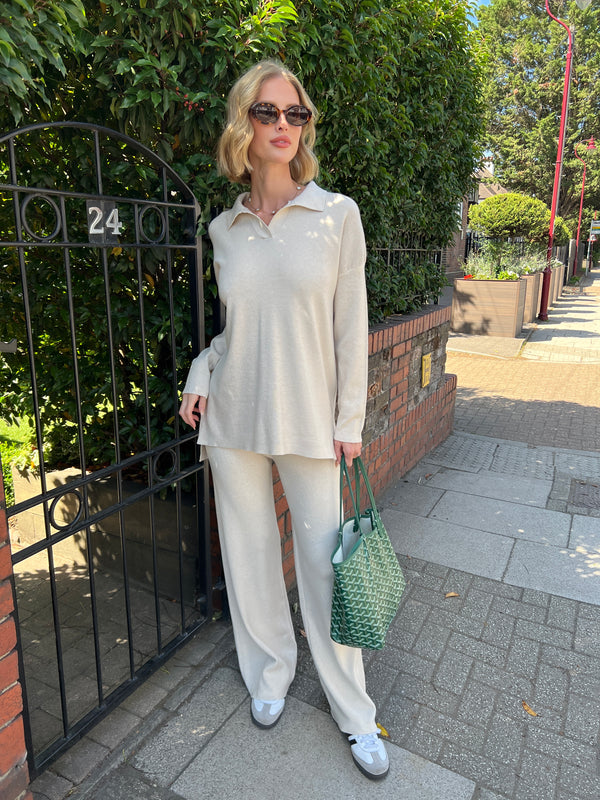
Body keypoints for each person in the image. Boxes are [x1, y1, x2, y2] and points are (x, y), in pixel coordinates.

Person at [179, 59, 389, 780]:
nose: (282, 125)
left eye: (295, 113)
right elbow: (237, 331)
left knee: (326, 567)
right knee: (248, 557)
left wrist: (350, 419)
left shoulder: (337, 215)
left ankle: (354, 711)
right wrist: (201, 370)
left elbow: (350, 327)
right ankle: (270, 673)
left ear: (305, 127)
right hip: (234, 414)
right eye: (266, 112)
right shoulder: (225, 228)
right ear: (245, 122)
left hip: (311, 421)